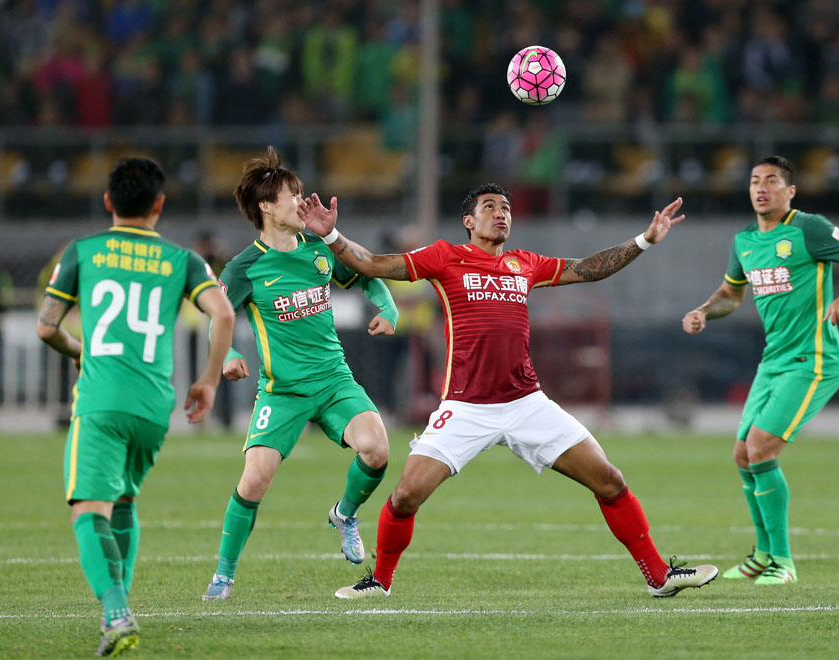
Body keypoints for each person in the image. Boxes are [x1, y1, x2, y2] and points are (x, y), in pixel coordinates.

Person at [298, 183, 718, 600]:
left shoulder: (525, 263)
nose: (501, 213)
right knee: (406, 495)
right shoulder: (444, 256)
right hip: (465, 407)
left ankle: (658, 576)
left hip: (526, 403)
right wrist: (330, 234)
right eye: (490, 207)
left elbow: (591, 267)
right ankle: (380, 581)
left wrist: (646, 239)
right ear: (468, 221)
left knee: (609, 480)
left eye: (506, 208)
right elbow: (372, 264)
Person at [38, 158, 234, 656]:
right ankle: (120, 607)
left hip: (101, 402)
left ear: (108, 201)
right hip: (152, 407)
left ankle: (116, 612)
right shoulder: (183, 260)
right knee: (123, 501)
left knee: (89, 510)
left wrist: (79, 351)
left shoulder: (81, 252)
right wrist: (209, 382)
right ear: (159, 204)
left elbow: (46, 326)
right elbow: (224, 314)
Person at [201, 147, 400, 601]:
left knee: (377, 449)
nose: (301, 201)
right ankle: (224, 575)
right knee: (254, 480)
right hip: (283, 392)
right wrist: (228, 353)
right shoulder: (244, 267)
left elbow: (366, 273)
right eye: (291, 195)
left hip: (334, 381)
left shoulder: (320, 248)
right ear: (266, 207)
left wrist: (387, 308)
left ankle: (344, 514)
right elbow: (219, 317)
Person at [682, 156, 839, 585]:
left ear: (790, 191)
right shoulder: (745, 241)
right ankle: (762, 554)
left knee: (760, 448)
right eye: (755, 180)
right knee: (742, 454)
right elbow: (731, 294)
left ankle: (784, 563)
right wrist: (703, 311)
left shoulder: (808, 228)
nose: (761, 188)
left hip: (814, 359)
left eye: (772, 181)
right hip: (773, 361)